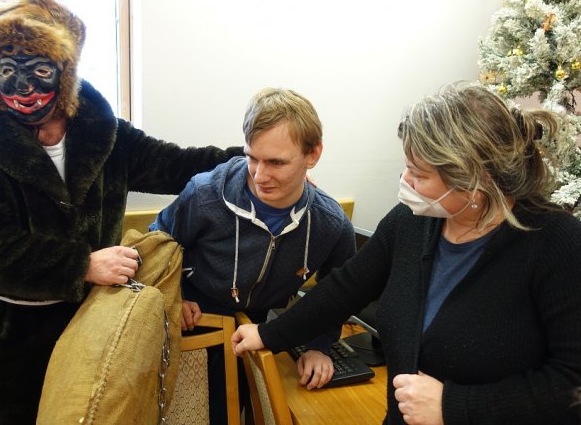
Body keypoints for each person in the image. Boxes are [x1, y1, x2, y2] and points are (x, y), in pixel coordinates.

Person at [0, 0, 242, 424]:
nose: (22, 86)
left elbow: (177, 164)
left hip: (93, 327)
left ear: (64, 71)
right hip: (9, 349)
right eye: (8, 68)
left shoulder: (106, 135)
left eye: (39, 68)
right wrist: (81, 264)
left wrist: (253, 163)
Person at [232, 82, 581, 424]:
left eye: (419, 174)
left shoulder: (556, 243)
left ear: (478, 180)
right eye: (408, 167)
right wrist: (269, 334)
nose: (406, 181)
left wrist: (453, 406)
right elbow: (345, 288)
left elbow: (572, 384)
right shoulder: (412, 221)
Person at [150, 87, 357, 423]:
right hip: (194, 325)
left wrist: (320, 346)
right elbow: (157, 243)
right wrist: (173, 295)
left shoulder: (331, 224)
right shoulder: (204, 194)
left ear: (313, 154)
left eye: (276, 162)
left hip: (258, 331)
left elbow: (339, 293)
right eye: (252, 157)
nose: (260, 175)